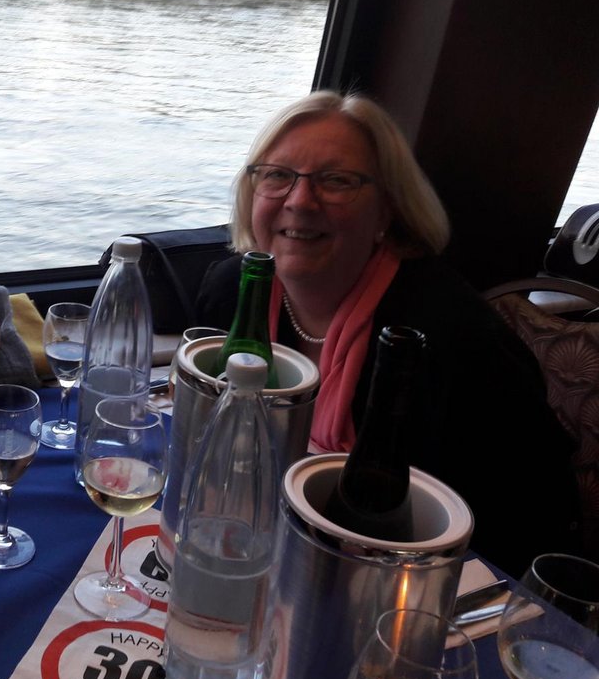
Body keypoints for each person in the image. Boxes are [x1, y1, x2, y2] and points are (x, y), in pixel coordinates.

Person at [195, 90, 581, 576]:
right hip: (252, 534)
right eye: (277, 175)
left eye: (336, 181)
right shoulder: (231, 290)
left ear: (387, 210)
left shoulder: (456, 341)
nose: (300, 200)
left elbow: (532, 521)